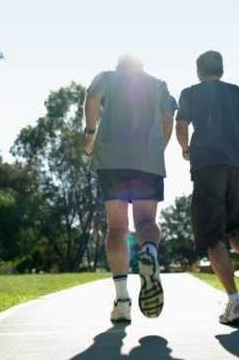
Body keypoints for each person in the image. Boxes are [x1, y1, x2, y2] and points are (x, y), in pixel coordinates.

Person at [176, 51, 239, 325]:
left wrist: (185, 148)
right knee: (237, 228)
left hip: (208, 165)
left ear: (198, 71)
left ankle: (235, 301)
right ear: (221, 69)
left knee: (212, 235)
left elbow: (181, 123)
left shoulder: (191, 93)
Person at [84, 55, 177, 323]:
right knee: (146, 221)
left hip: (111, 162)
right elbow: (168, 116)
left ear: (119, 66)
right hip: (148, 162)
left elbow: (92, 97)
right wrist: (158, 148)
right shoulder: (158, 85)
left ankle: (122, 300)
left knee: (117, 228)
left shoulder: (107, 77)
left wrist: (90, 134)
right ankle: (149, 252)